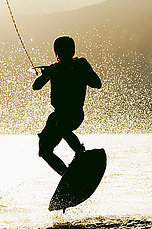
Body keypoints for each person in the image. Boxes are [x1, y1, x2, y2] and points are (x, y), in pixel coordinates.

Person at [33, 36, 102, 176]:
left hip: (74, 113)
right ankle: (66, 175)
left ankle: (80, 153)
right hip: (57, 115)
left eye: (67, 51)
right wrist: (46, 75)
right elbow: (36, 86)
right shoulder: (54, 69)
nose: (63, 54)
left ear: (73, 51)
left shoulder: (81, 65)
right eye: (60, 52)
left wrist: (78, 73)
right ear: (56, 53)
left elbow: (97, 84)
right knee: (44, 151)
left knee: (62, 126)